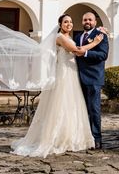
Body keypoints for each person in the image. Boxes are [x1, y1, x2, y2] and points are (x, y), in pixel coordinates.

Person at [11, 14, 103, 157]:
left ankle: (72, 135)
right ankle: (57, 137)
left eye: (71, 22)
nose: (69, 24)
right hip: (64, 75)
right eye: (66, 22)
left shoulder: (71, 37)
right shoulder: (60, 37)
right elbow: (76, 51)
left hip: (73, 74)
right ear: (60, 24)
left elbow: (78, 48)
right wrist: (95, 42)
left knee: (72, 106)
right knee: (61, 105)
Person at [74, 12, 109, 149]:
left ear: (95, 22)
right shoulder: (77, 37)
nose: (87, 21)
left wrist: (86, 53)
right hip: (78, 78)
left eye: (90, 19)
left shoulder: (101, 35)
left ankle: (96, 138)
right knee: (82, 109)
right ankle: (84, 136)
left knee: (94, 109)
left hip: (94, 78)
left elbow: (103, 55)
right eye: (85, 19)